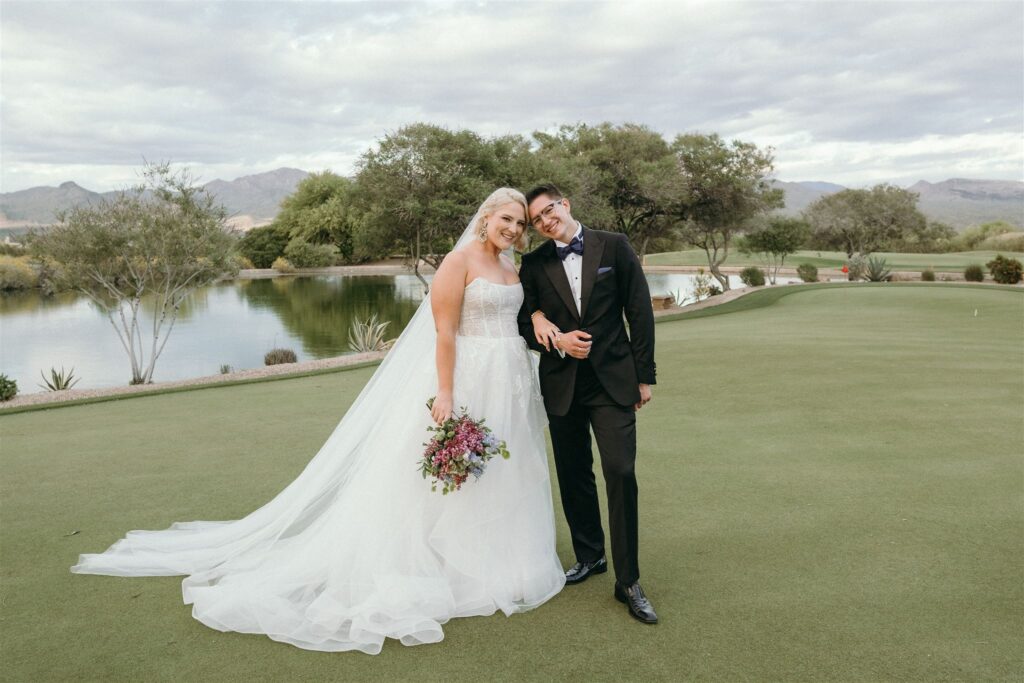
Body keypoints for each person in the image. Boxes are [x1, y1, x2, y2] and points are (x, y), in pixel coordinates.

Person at [71, 188, 566, 654]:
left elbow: (521, 317)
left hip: (511, 378)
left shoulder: (511, 264)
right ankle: (445, 559)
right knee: (451, 475)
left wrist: (541, 320)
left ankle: (493, 557)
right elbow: (443, 331)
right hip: (468, 376)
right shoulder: (457, 263)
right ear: (486, 217)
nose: (513, 228)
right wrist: (446, 392)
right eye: (506, 218)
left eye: (520, 223)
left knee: (503, 468)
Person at [516, 183, 658, 624]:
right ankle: (590, 555)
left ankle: (628, 580)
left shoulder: (614, 246)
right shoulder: (534, 263)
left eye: (549, 210)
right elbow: (521, 320)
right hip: (562, 384)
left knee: (621, 471)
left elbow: (639, 311)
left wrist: (644, 375)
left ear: (566, 204)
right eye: (536, 219)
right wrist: (553, 334)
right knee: (574, 474)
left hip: (614, 383)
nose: (545, 221)